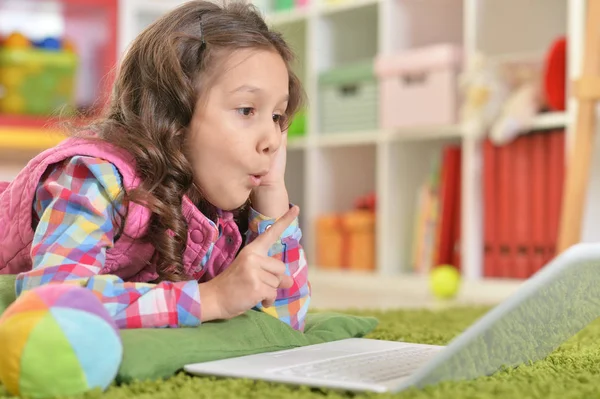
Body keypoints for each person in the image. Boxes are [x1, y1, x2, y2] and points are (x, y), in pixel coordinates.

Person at [0, 0, 311, 331]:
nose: (273, 140)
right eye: (247, 110)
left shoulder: (215, 205)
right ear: (172, 114)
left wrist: (271, 191)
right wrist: (212, 298)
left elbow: (285, 324)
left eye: (277, 116)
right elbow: (53, 303)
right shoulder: (95, 177)